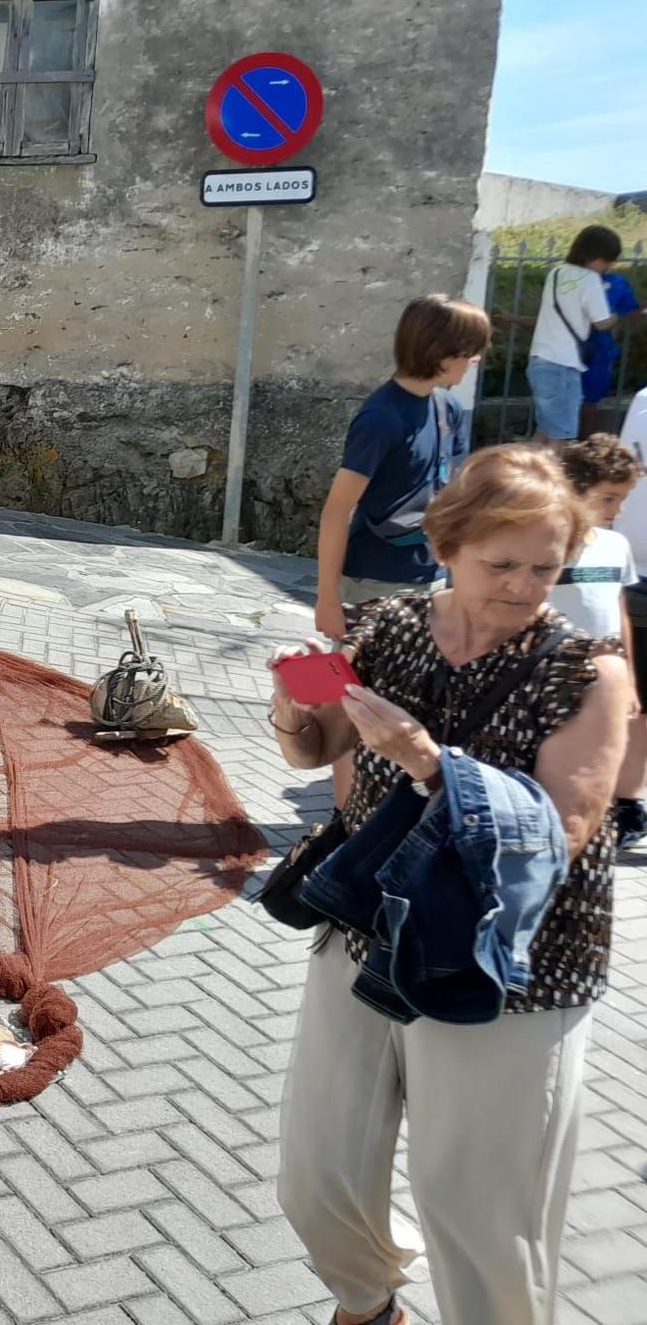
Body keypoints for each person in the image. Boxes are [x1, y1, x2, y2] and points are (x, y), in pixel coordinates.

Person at [270, 445, 628, 1325]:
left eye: (546, 566)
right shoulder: (387, 628)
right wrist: (291, 712)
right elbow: (317, 751)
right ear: (446, 547)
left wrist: (430, 765)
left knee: (478, 1211)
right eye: (499, 563)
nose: (523, 586)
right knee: (318, 1175)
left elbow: (562, 830)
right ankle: (368, 1304)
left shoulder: (586, 671)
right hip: (370, 927)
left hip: (511, 965)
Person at [314, 295, 491, 642]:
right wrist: (327, 599)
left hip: (433, 579)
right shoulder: (380, 418)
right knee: (359, 693)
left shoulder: (449, 409)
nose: (476, 359)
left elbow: (455, 497)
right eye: (470, 351)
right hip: (373, 582)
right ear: (442, 354)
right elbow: (336, 511)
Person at [555, 434, 647, 847]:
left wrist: (626, 672)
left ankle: (596, 828)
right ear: (574, 489)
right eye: (608, 498)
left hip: (603, 678)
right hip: (554, 676)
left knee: (598, 761)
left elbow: (618, 609)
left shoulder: (615, 545)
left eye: (623, 498)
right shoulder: (549, 546)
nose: (619, 510)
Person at [527, 225, 622, 443]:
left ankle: (517, 475)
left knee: (543, 433)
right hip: (563, 366)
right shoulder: (590, 279)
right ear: (597, 256)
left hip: (539, 361)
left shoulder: (557, 272)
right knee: (562, 438)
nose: (608, 267)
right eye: (608, 261)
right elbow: (601, 323)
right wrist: (617, 316)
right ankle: (547, 477)